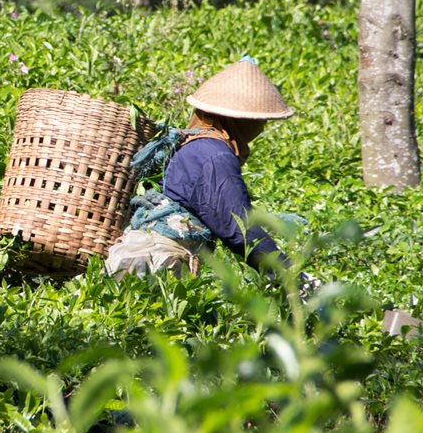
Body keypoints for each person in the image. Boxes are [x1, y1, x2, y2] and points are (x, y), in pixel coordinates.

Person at [105, 58, 297, 279]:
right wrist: (291, 277)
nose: (261, 127)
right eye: (258, 120)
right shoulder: (214, 156)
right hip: (153, 269)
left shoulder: (191, 143)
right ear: (236, 120)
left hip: (135, 261)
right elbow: (240, 229)